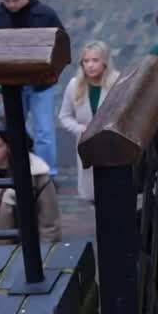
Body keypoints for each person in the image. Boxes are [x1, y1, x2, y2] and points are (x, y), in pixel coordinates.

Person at [0, 0, 66, 177]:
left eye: (16, 0)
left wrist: (50, 71)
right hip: (12, 84)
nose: (12, 5)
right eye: (7, 0)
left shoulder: (45, 15)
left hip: (40, 83)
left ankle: (47, 175)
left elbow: (61, 44)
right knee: (16, 127)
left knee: (44, 132)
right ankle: (22, 167)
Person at [58, 41, 122, 202]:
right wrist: (79, 128)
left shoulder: (117, 82)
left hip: (111, 144)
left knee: (113, 192)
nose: (90, 65)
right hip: (86, 145)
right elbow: (64, 116)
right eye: (86, 61)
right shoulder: (75, 85)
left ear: (105, 62)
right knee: (92, 193)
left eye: (95, 60)